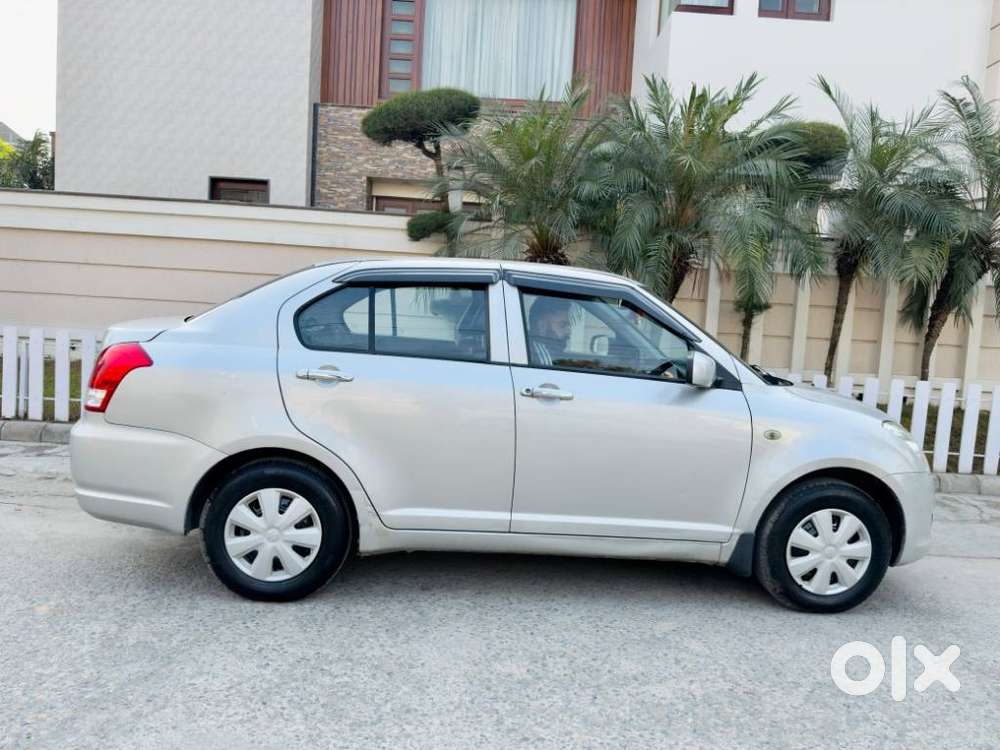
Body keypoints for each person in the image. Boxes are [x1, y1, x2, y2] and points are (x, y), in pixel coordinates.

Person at [527, 297, 573, 366]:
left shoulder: (530, 347)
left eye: (568, 326)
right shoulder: (540, 356)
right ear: (541, 326)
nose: (569, 332)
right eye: (562, 325)